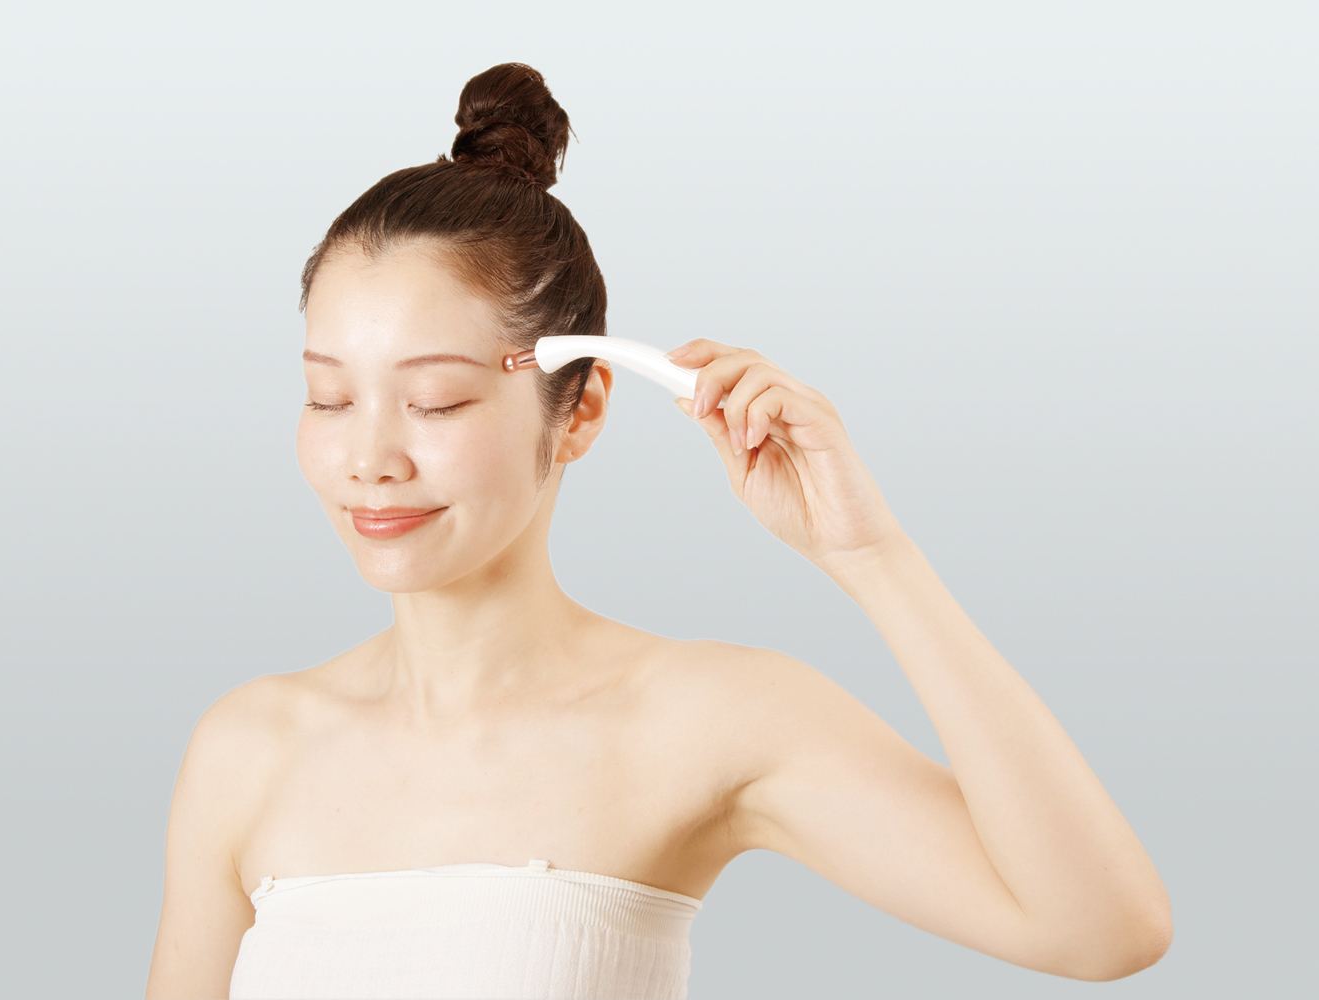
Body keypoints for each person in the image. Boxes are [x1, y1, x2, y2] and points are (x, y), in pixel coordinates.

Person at [145, 62, 1172, 1000]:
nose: (369, 457)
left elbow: (1102, 930)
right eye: (329, 397)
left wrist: (871, 557)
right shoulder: (248, 747)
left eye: (437, 401)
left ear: (581, 409)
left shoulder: (707, 718)